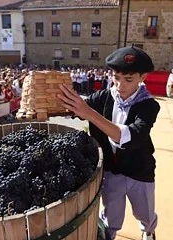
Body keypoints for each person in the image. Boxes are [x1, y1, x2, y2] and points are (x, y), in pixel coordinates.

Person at [58, 45, 160, 240]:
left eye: (128, 79)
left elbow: (132, 135)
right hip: (111, 171)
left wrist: (88, 113)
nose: (120, 85)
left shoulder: (149, 105)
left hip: (140, 171)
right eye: (116, 77)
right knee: (111, 214)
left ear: (142, 78)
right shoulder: (103, 97)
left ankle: (148, 230)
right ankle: (108, 235)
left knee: (144, 212)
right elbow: (75, 108)